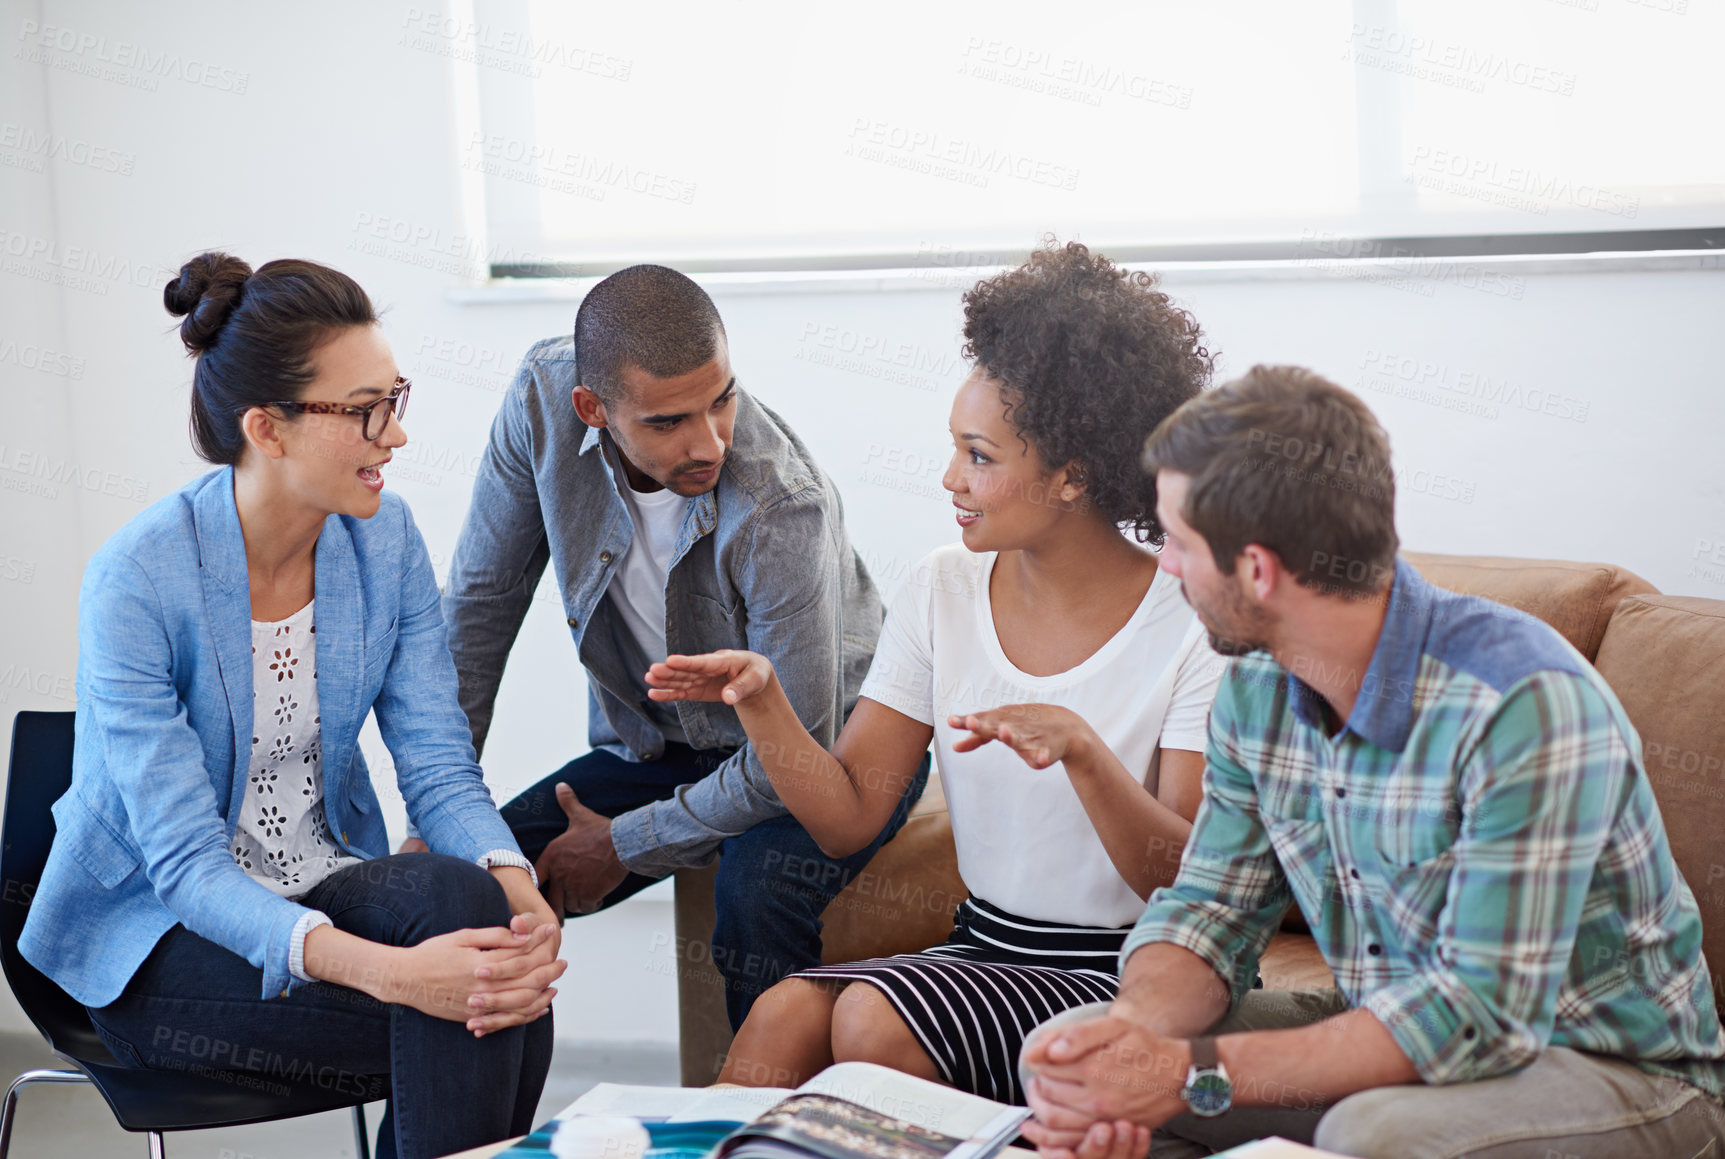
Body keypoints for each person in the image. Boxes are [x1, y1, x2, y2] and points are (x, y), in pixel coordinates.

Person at [1016, 366, 1725, 1159]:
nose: (1165, 566)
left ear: (1256, 569)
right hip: (1394, 1043)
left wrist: (1188, 1074)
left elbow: (1478, 1013)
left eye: (1177, 542)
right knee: (1072, 1053)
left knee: (1371, 1134)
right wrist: (1131, 1041)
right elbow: (1211, 909)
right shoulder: (1254, 689)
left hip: (1619, 1075)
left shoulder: (1521, 704)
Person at [646, 242, 1223, 1104]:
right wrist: (763, 701)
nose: (950, 478)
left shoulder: (1191, 624)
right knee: (780, 1015)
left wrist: (1081, 752)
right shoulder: (940, 586)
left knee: (872, 1017)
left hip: (1125, 970)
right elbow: (846, 820)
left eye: (980, 456)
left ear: (1074, 475)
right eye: (953, 448)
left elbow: (1181, 880)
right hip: (981, 949)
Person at [19, 253, 563, 1159]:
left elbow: (437, 765)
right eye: (363, 411)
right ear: (266, 428)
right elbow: (190, 868)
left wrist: (518, 888)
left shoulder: (382, 539)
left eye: (397, 397)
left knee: (479, 932)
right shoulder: (138, 579)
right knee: (483, 1007)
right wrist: (397, 974)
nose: (393, 436)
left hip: (315, 873)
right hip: (155, 937)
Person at [426, 264, 923, 1028]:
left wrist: (625, 842)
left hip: (825, 747)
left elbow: (789, 757)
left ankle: (763, 1132)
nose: (709, 441)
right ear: (591, 408)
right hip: (662, 744)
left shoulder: (782, 504)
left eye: (720, 399)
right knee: (464, 888)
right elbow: (480, 609)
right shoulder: (541, 399)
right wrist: (437, 816)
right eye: (666, 422)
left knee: (756, 894)